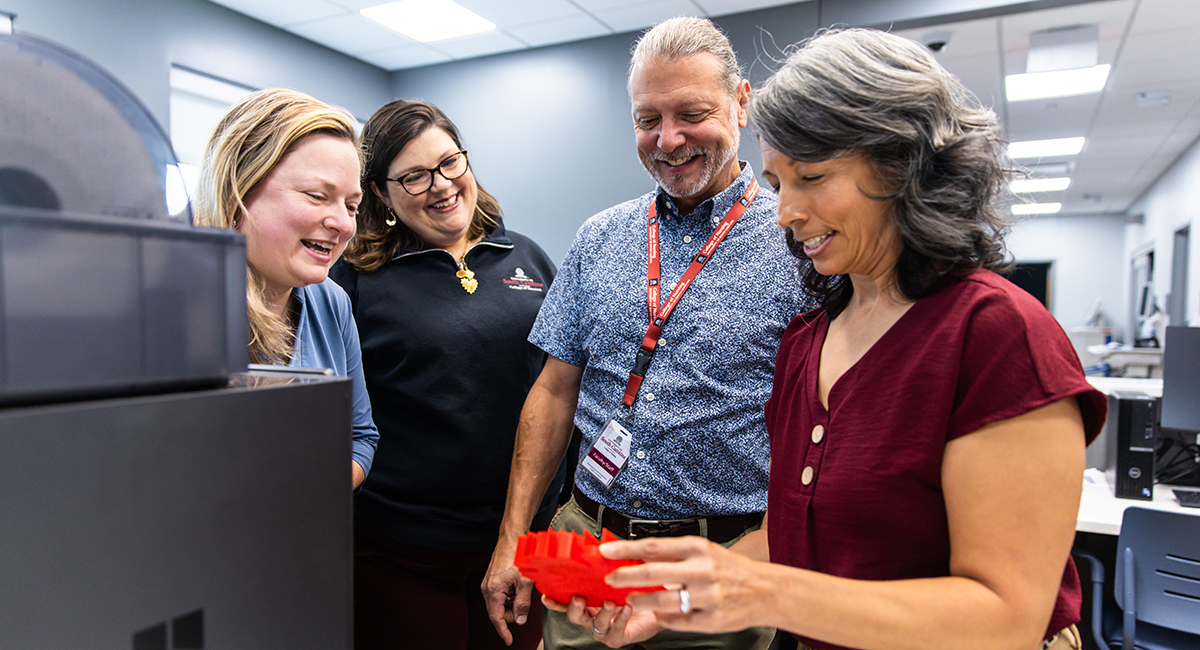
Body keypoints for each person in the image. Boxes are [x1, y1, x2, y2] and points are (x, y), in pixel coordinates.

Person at [564, 28, 1108, 650]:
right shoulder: (810, 339)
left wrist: (763, 595)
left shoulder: (996, 336)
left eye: (812, 177)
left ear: (901, 164)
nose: (786, 213)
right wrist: (673, 600)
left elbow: (1006, 617)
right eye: (776, 185)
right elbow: (792, 533)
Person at [481, 17, 814, 650]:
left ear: (742, 102)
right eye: (646, 120)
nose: (668, 139)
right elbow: (555, 392)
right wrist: (513, 537)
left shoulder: (800, 238)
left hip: (723, 561)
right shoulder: (599, 237)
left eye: (692, 113)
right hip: (587, 549)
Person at [328, 99, 562, 650]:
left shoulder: (526, 257)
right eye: (413, 177)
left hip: (521, 541)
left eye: (449, 162)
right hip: (400, 552)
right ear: (380, 194)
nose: (441, 185)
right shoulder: (356, 278)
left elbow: (560, 388)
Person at [195, 87, 377, 489]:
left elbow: (361, 436)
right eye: (317, 196)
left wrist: (310, 488)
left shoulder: (332, 303)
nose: (345, 225)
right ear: (239, 187)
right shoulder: (177, 310)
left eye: (351, 206)